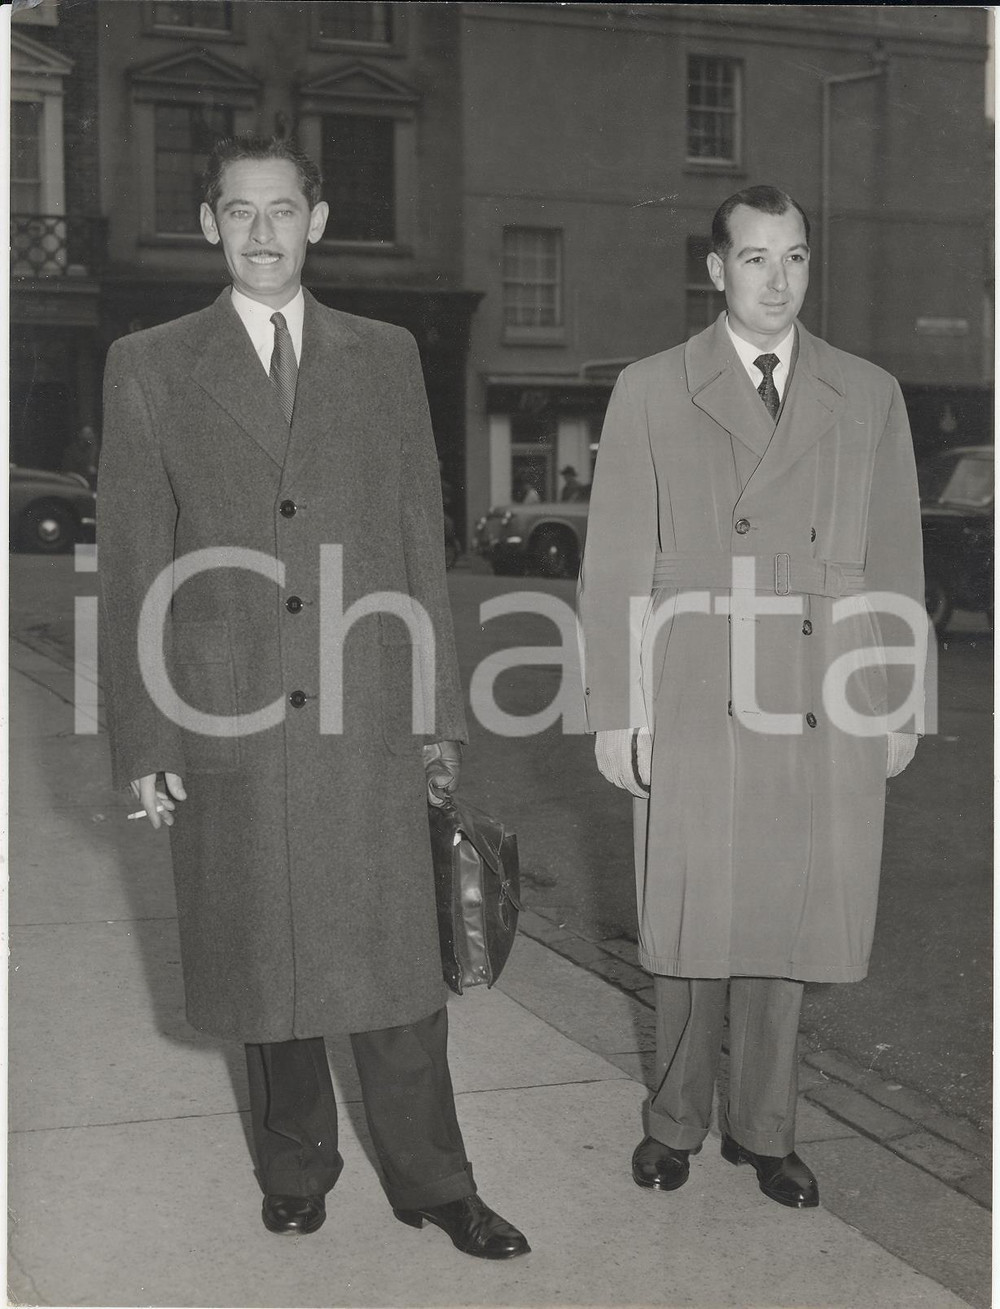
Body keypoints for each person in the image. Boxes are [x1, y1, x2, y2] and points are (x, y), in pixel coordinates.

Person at [98, 135, 529, 1258]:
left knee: (393, 973)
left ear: (318, 221)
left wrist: (435, 714)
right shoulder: (150, 362)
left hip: (366, 712)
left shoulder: (385, 355)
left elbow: (415, 543)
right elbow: (139, 562)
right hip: (226, 713)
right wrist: (145, 736)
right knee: (265, 967)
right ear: (207, 225)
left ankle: (435, 1181)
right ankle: (295, 1165)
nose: (260, 232)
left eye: (281, 210)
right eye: (237, 211)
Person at [577, 185, 925, 1210]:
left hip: (821, 685)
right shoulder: (650, 389)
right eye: (757, 258)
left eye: (797, 258)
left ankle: (764, 1129)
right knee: (691, 921)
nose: (779, 280)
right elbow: (612, 566)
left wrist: (898, 698)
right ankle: (675, 1121)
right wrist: (615, 710)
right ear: (715, 269)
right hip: (694, 679)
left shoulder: (867, 393)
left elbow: (896, 558)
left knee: (788, 920)